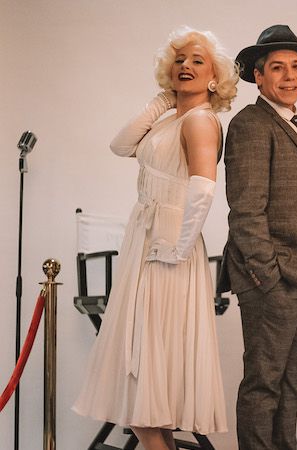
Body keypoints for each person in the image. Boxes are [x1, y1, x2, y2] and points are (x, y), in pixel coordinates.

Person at [73, 26, 238, 450]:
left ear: (215, 76)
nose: (186, 66)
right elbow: (120, 145)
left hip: (168, 246)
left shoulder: (200, 121)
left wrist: (178, 248)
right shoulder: (172, 117)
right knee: (148, 396)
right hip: (145, 240)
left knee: (145, 385)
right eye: (179, 60)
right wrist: (161, 102)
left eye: (198, 61)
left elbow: (203, 188)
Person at [219, 25, 297, 450]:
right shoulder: (251, 124)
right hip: (273, 279)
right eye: (277, 68)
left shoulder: (295, 123)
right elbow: (245, 210)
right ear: (258, 76)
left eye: (296, 67)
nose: (290, 76)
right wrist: (266, 276)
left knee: (290, 381)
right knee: (264, 383)